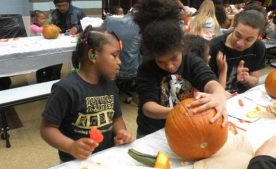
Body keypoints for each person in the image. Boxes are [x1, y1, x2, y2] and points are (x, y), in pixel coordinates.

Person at [133, 0, 227, 138]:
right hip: (152, 132)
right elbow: (148, 107)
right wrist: (178, 112)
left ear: (181, 46)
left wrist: (218, 95)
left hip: (184, 129)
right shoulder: (146, 69)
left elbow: (211, 82)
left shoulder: (191, 61)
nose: (170, 66)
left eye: (173, 58)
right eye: (161, 62)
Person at [40, 25, 134, 162]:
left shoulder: (110, 85)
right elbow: (47, 129)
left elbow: (116, 119)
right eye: (115, 55)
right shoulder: (66, 89)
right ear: (93, 55)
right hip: (76, 162)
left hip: (106, 157)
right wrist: (71, 146)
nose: (119, 62)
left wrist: (121, 132)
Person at [209, 9, 266, 94]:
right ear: (234, 27)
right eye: (238, 35)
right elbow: (205, 83)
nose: (240, 43)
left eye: (248, 40)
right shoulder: (215, 46)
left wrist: (246, 79)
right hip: (217, 96)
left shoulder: (259, 48)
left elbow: (255, 81)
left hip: (242, 98)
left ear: (258, 37)